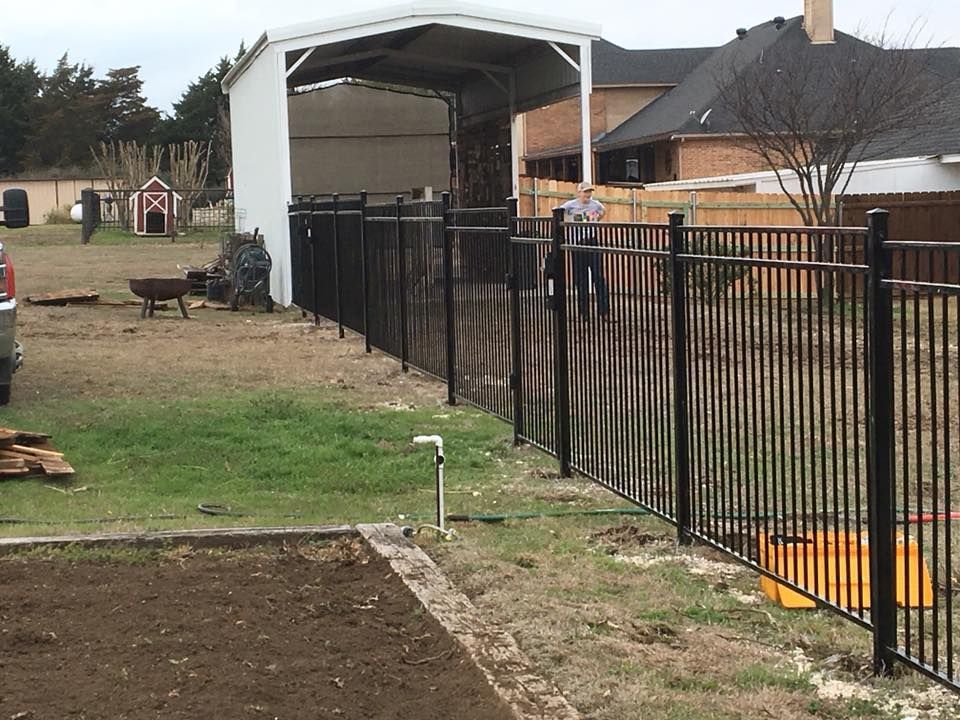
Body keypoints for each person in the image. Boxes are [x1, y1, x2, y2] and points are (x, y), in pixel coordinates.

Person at [559, 181, 610, 320]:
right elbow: (558, 213)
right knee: (581, 278)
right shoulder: (570, 205)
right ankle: (584, 312)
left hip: (592, 241)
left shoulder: (595, 204)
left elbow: (603, 211)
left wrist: (594, 219)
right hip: (577, 244)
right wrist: (572, 221)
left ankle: (604, 311)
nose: (588, 195)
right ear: (579, 192)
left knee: (598, 276)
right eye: (585, 191)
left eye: (590, 192)